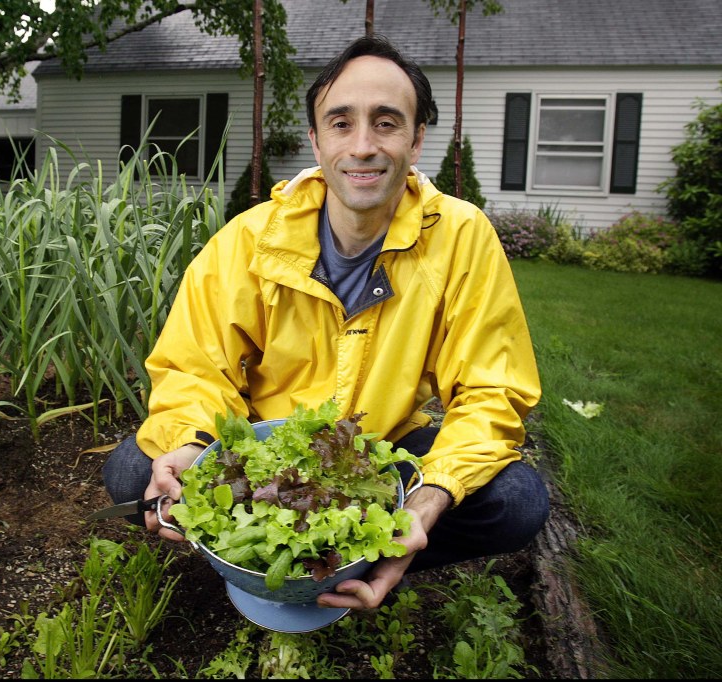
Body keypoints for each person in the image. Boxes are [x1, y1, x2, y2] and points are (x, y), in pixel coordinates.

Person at [102, 35, 549, 610]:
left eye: (386, 123)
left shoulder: (460, 237)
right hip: (266, 440)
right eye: (342, 123)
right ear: (317, 139)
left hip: (377, 444)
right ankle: (268, 557)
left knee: (515, 500)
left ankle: (360, 554)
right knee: (132, 473)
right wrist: (191, 448)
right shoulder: (249, 238)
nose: (362, 146)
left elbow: (492, 389)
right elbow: (194, 367)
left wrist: (428, 498)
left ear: (416, 140)